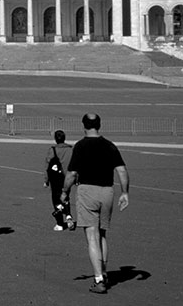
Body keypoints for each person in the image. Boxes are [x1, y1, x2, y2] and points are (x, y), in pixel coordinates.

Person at [60, 113, 129, 295]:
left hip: (87, 191)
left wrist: (64, 191)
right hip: (107, 191)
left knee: (91, 236)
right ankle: (104, 273)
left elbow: (72, 174)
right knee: (102, 234)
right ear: (99, 125)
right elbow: (121, 170)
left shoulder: (81, 146)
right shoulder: (109, 145)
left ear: (84, 125)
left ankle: (98, 278)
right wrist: (125, 192)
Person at [44, 130, 75, 231]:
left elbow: (48, 166)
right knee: (65, 197)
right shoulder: (70, 149)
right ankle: (68, 215)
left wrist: (46, 180)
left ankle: (60, 223)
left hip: (56, 178)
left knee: (56, 199)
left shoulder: (52, 150)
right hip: (68, 177)